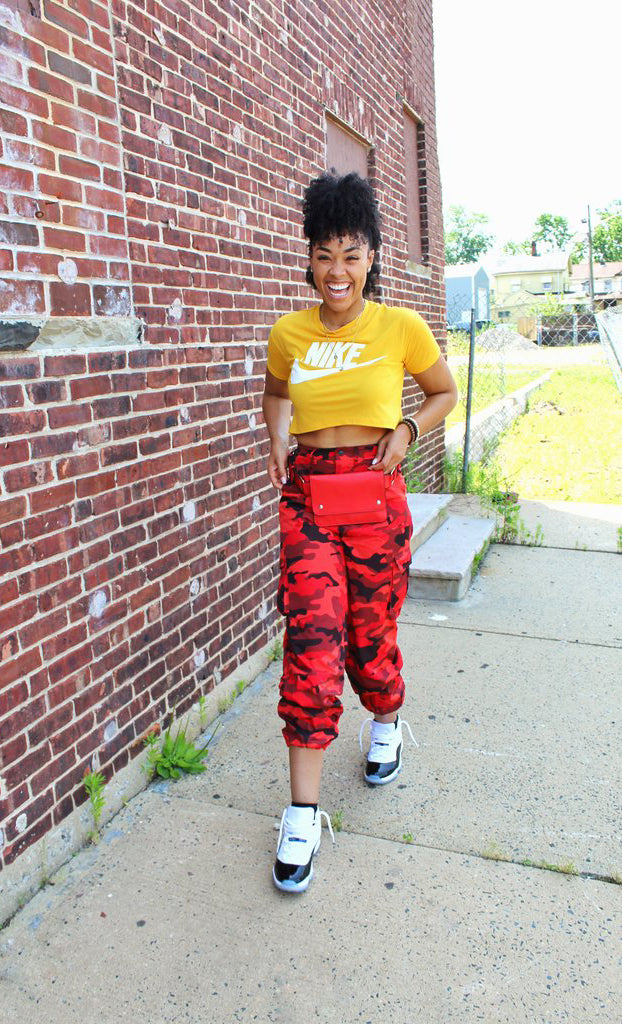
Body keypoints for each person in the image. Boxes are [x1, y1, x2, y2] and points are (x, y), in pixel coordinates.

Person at [261, 172, 457, 893]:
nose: (336, 271)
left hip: (375, 498)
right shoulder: (290, 333)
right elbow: (276, 392)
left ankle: (384, 715)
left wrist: (408, 428)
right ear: (308, 259)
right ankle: (303, 815)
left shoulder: (399, 327)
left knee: (370, 640)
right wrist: (276, 439)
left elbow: (443, 392)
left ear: (371, 256)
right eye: (323, 255)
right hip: (309, 497)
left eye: (349, 254)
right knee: (312, 642)